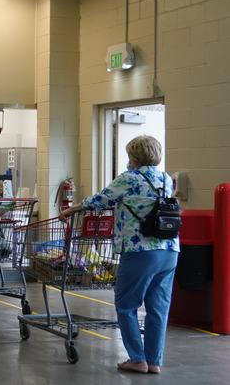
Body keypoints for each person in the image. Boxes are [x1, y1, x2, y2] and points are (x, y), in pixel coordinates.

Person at [59, 135, 179, 374]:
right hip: (169, 250)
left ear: (133, 156)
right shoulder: (166, 179)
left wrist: (72, 208)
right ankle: (154, 361)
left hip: (139, 251)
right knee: (158, 308)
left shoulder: (129, 178)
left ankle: (137, 358)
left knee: (126, 306)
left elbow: (100, 200)